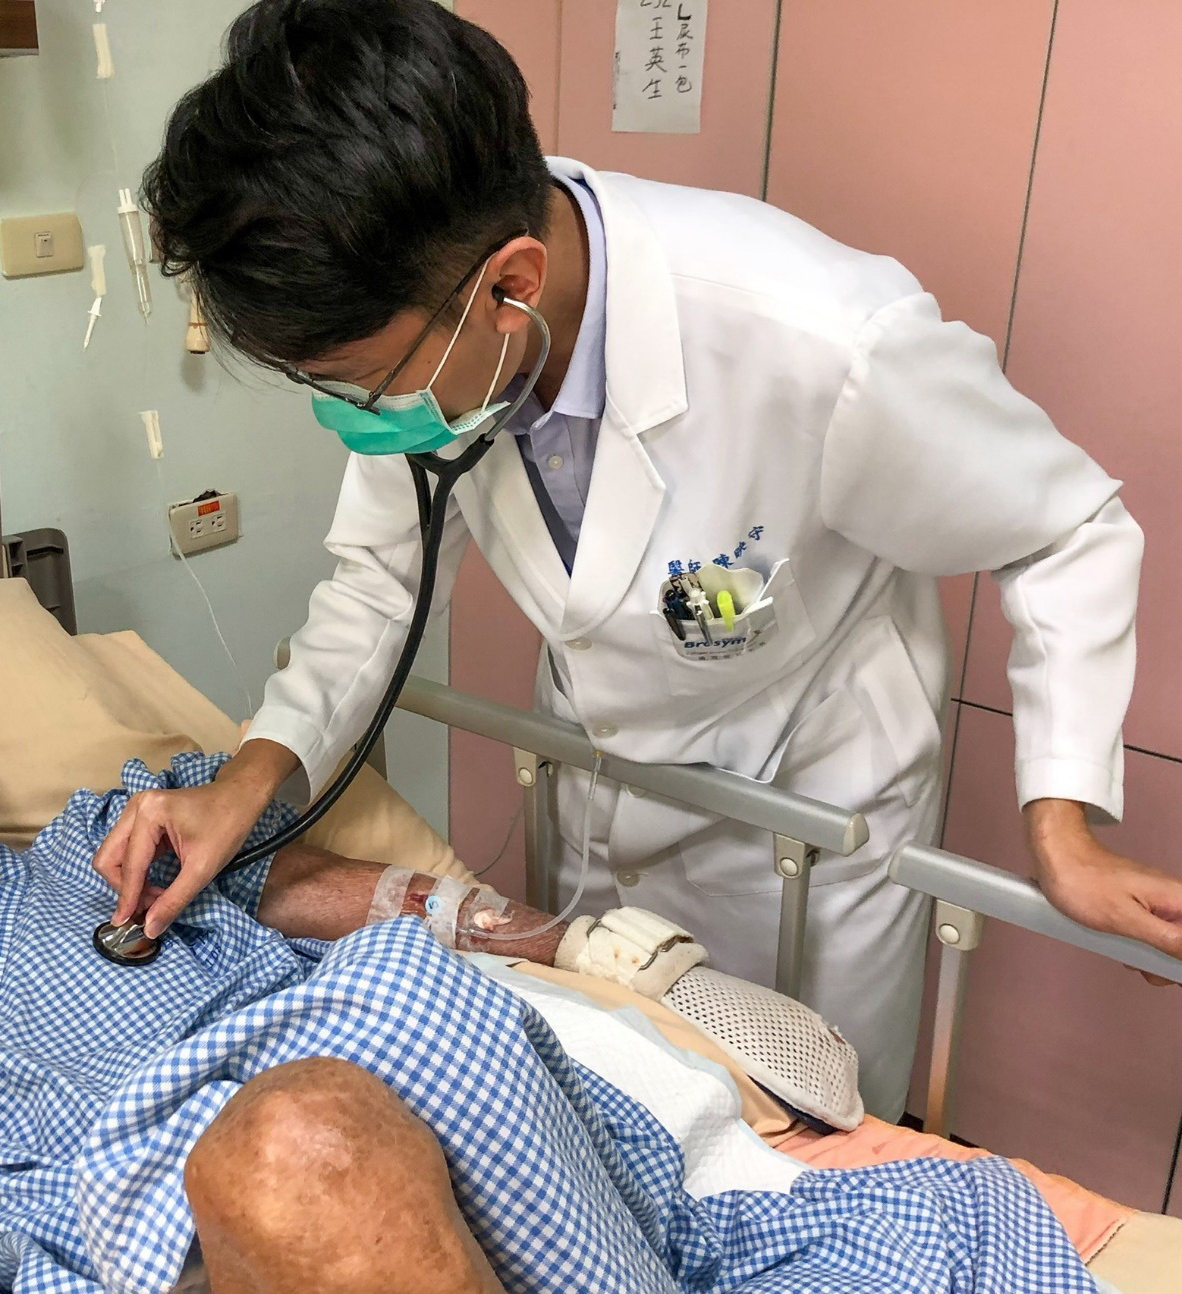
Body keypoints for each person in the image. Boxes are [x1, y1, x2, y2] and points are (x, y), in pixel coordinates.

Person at [100, 0, 1182, 1120]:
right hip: (596, 791)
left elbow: (1064, 530)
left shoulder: (825, 338)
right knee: (618, 1099)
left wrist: (1063, 830)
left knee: (804, 1132)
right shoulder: (446, 326)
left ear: (512, 285)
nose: (353, 413)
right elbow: (379, 584)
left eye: (361, 380)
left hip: (803, 820)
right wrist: (245, 786)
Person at [0, 695, 1101, 1294]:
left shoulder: (108, 837)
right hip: (140, 1253)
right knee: (288, 1146)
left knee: (327, 1091)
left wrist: (557, 937)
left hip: (384, 1108)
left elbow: (338, 894)